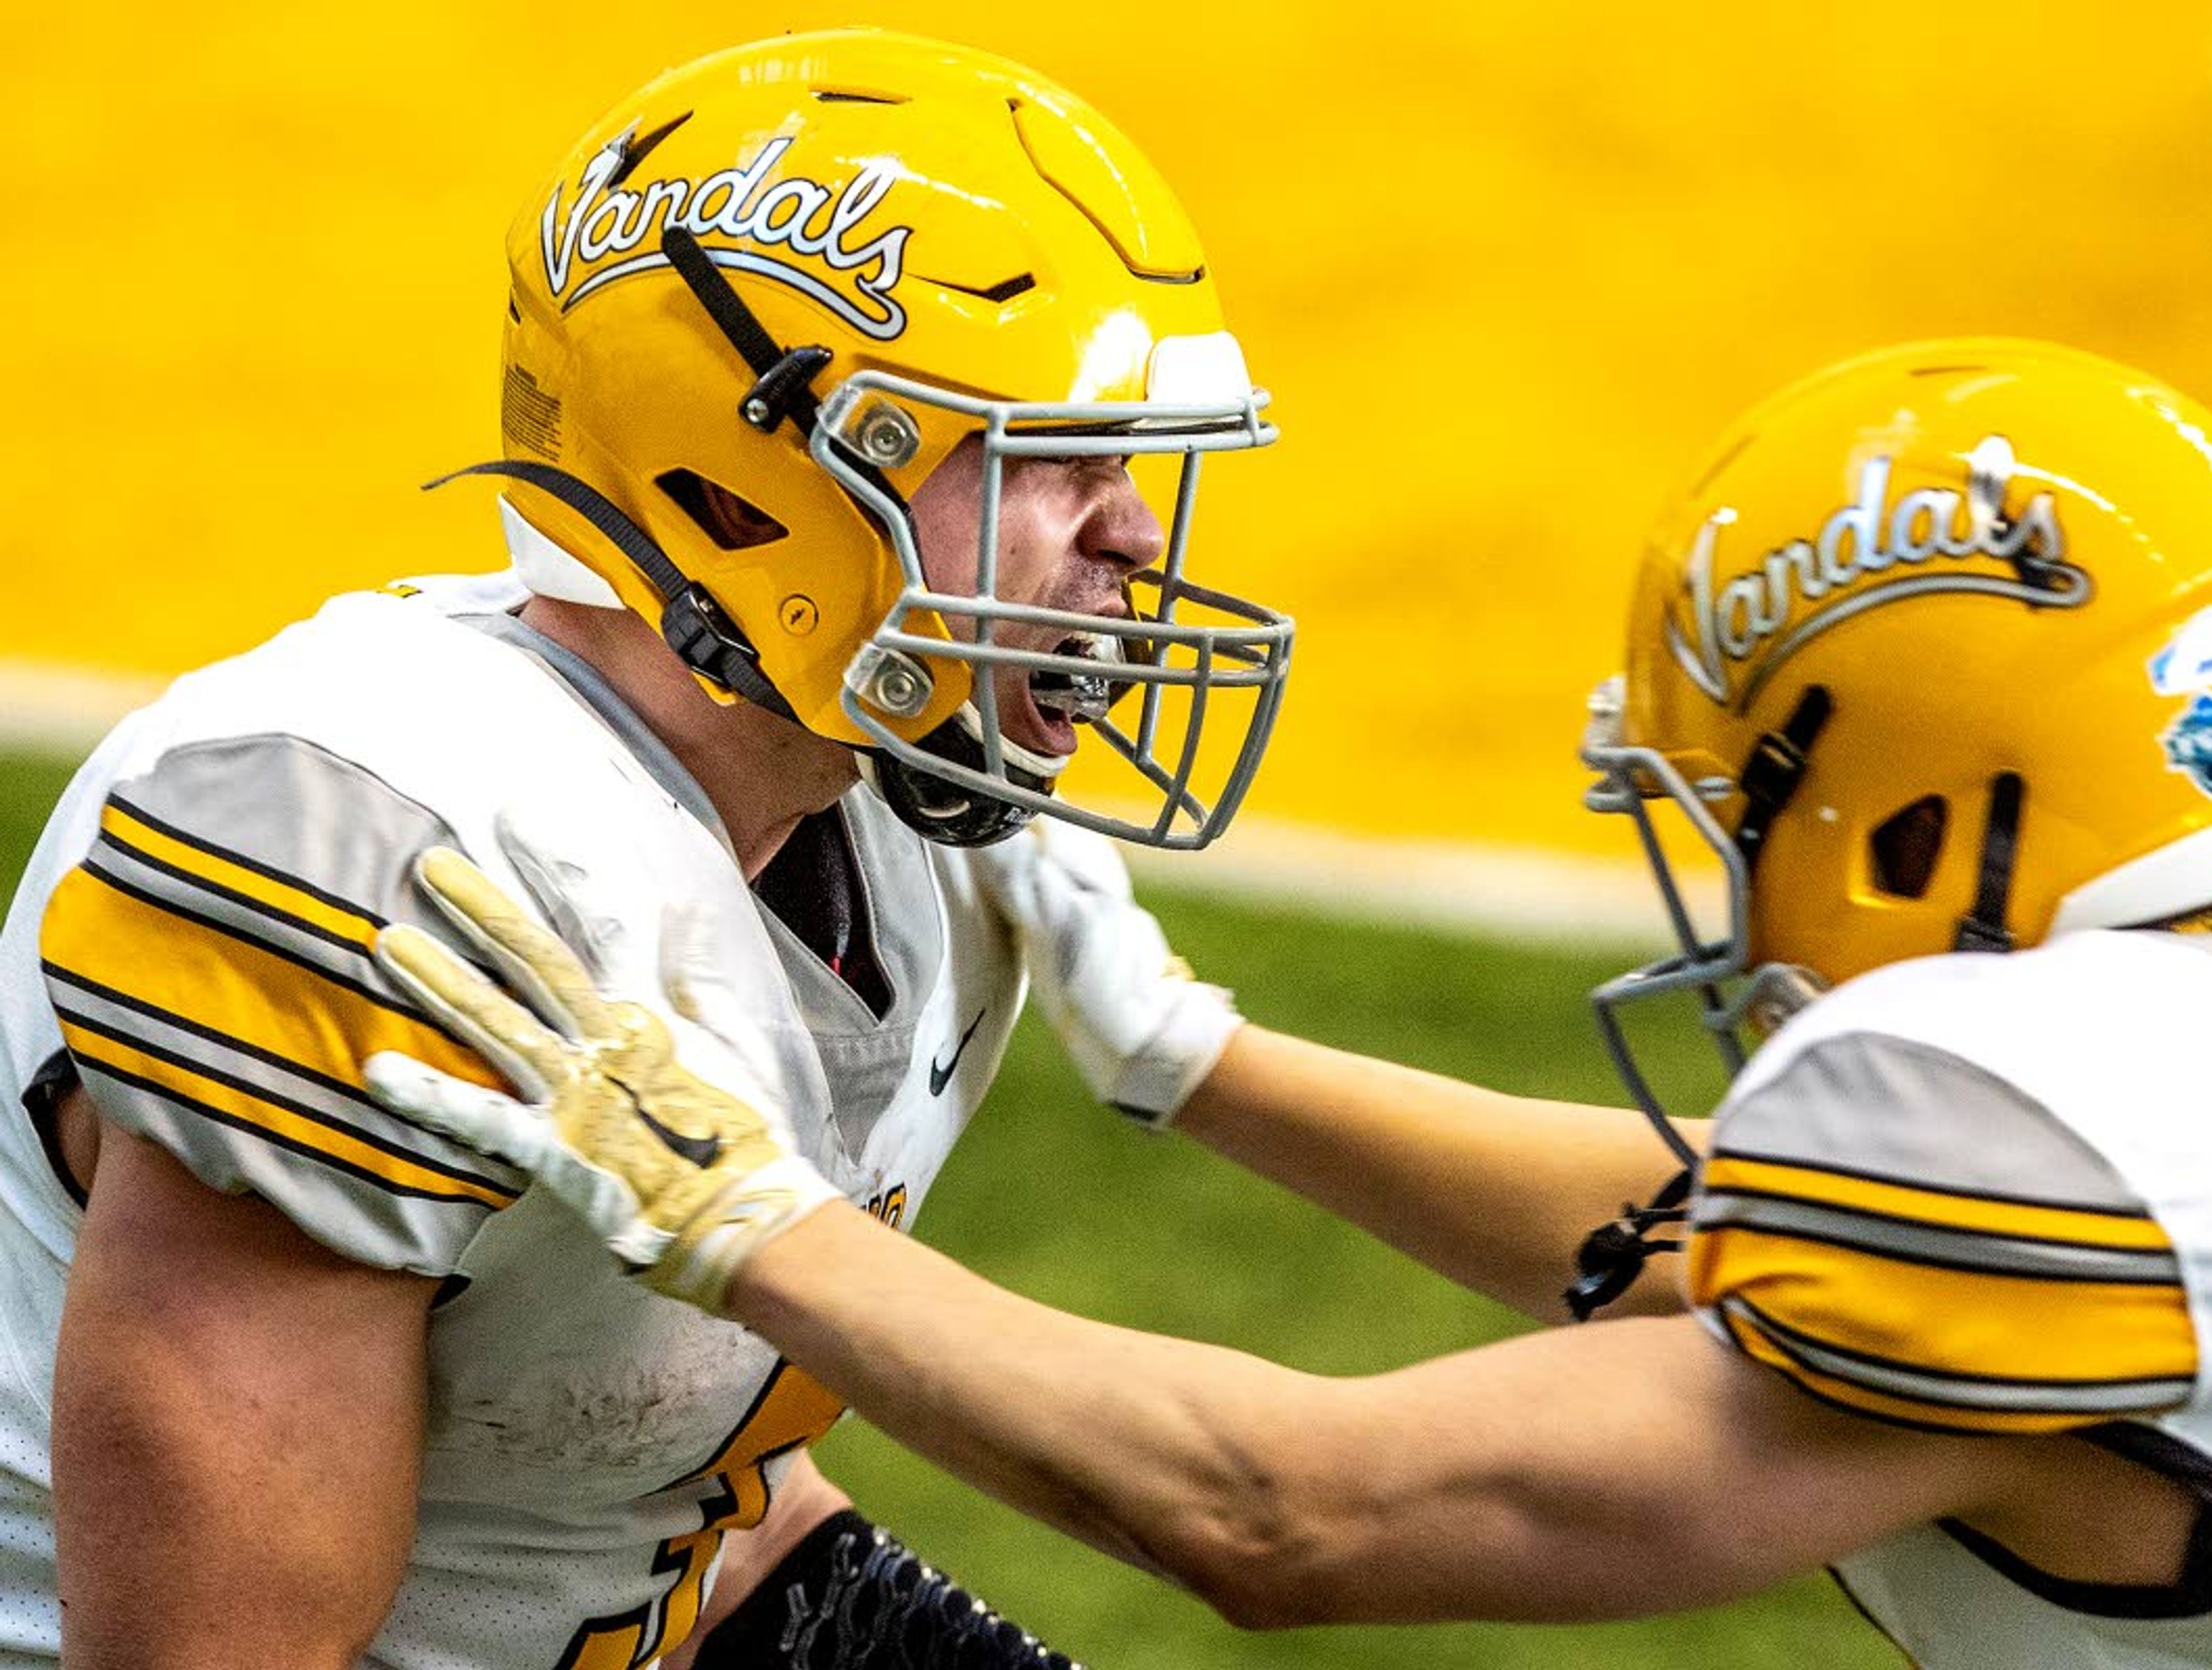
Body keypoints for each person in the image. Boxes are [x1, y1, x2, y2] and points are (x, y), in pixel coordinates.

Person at [367, 339, 2212, 1667]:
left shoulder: (2053, 1167)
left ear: (1924, 817)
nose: (1719, 867)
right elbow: (1718, 1231)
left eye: (1740, 797)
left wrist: (742, 1214)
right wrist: (1199, 1059)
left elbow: (1284, 1513)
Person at [0, 29, 1290, 1670]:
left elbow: (622, 1477)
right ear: (756, 479)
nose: (1132, 537)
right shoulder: (368, 845)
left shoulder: (887, 818)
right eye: (1045, 453)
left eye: (1132, 464)